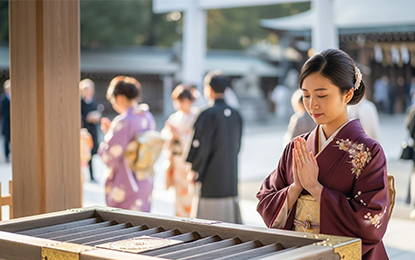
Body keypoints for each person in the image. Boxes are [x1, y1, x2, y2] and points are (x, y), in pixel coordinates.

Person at [256, 49, 389, 260]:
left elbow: (371, 221)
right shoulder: (296, 147)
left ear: (347, 93)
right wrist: (295, 188)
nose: (312, 105)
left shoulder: (368, 152)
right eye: (306, 95)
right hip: (299, 253)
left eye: (322, 95)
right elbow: (265, 199)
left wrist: (316, 189)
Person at [186, 71, 243, 224]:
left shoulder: (206, 114)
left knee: (206, 224)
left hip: (210, 175)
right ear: (226, 90)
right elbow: (238, 145)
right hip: (229, 174)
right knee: (229, 223)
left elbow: (200, 145)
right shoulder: (236, 114)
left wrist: (195, 169)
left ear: (209, 89)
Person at [99, 76, 156, 212]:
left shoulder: (124, 121)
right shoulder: (148, 117)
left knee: (124, 225)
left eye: (113, 100)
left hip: (127, 183)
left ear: (120, 98)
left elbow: (109, 157)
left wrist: (107, 137)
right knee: (141, 223)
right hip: (144, 179)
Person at [162, 85, 199, 217]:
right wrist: (171, 135)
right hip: (177, 159)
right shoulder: (174, 117)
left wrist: (177, 135)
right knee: (178, 193)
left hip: (189, 161)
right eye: (178, 101)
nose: (180, 104)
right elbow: (165, 138)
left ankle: (192, 219)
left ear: (190, 101)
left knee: (190, 192)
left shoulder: (196, 117)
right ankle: (180, 219)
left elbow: (194, 140)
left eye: (183, 101)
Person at [80, 79, 101, 182]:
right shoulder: (80, 103)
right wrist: (87, 118)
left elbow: (98, 113)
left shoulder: (94, 102)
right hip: (83, 132)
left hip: (93, 131)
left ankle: (92, 175)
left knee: (92, 154)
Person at [0, 80, 11, 163]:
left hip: (13, 122)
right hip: (6, 122)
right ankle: (6, 155)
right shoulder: (3, 99)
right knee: (6, 140)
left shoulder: (14, 97)